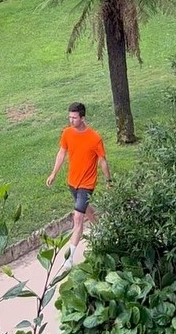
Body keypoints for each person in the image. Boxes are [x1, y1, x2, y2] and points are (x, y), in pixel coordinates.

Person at [46, 102, 111, 270]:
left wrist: (108, 180)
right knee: (87, 210)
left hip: (87, 184)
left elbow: (103, 160)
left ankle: (69, 258)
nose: (71, 120)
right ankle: (103, 231)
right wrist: (53, 173)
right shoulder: (67, 133)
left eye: (74, 118)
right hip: (72, 182)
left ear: (83, 118)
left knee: (78, 218)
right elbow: (62, 152)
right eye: (69, 117)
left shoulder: (95, 138)